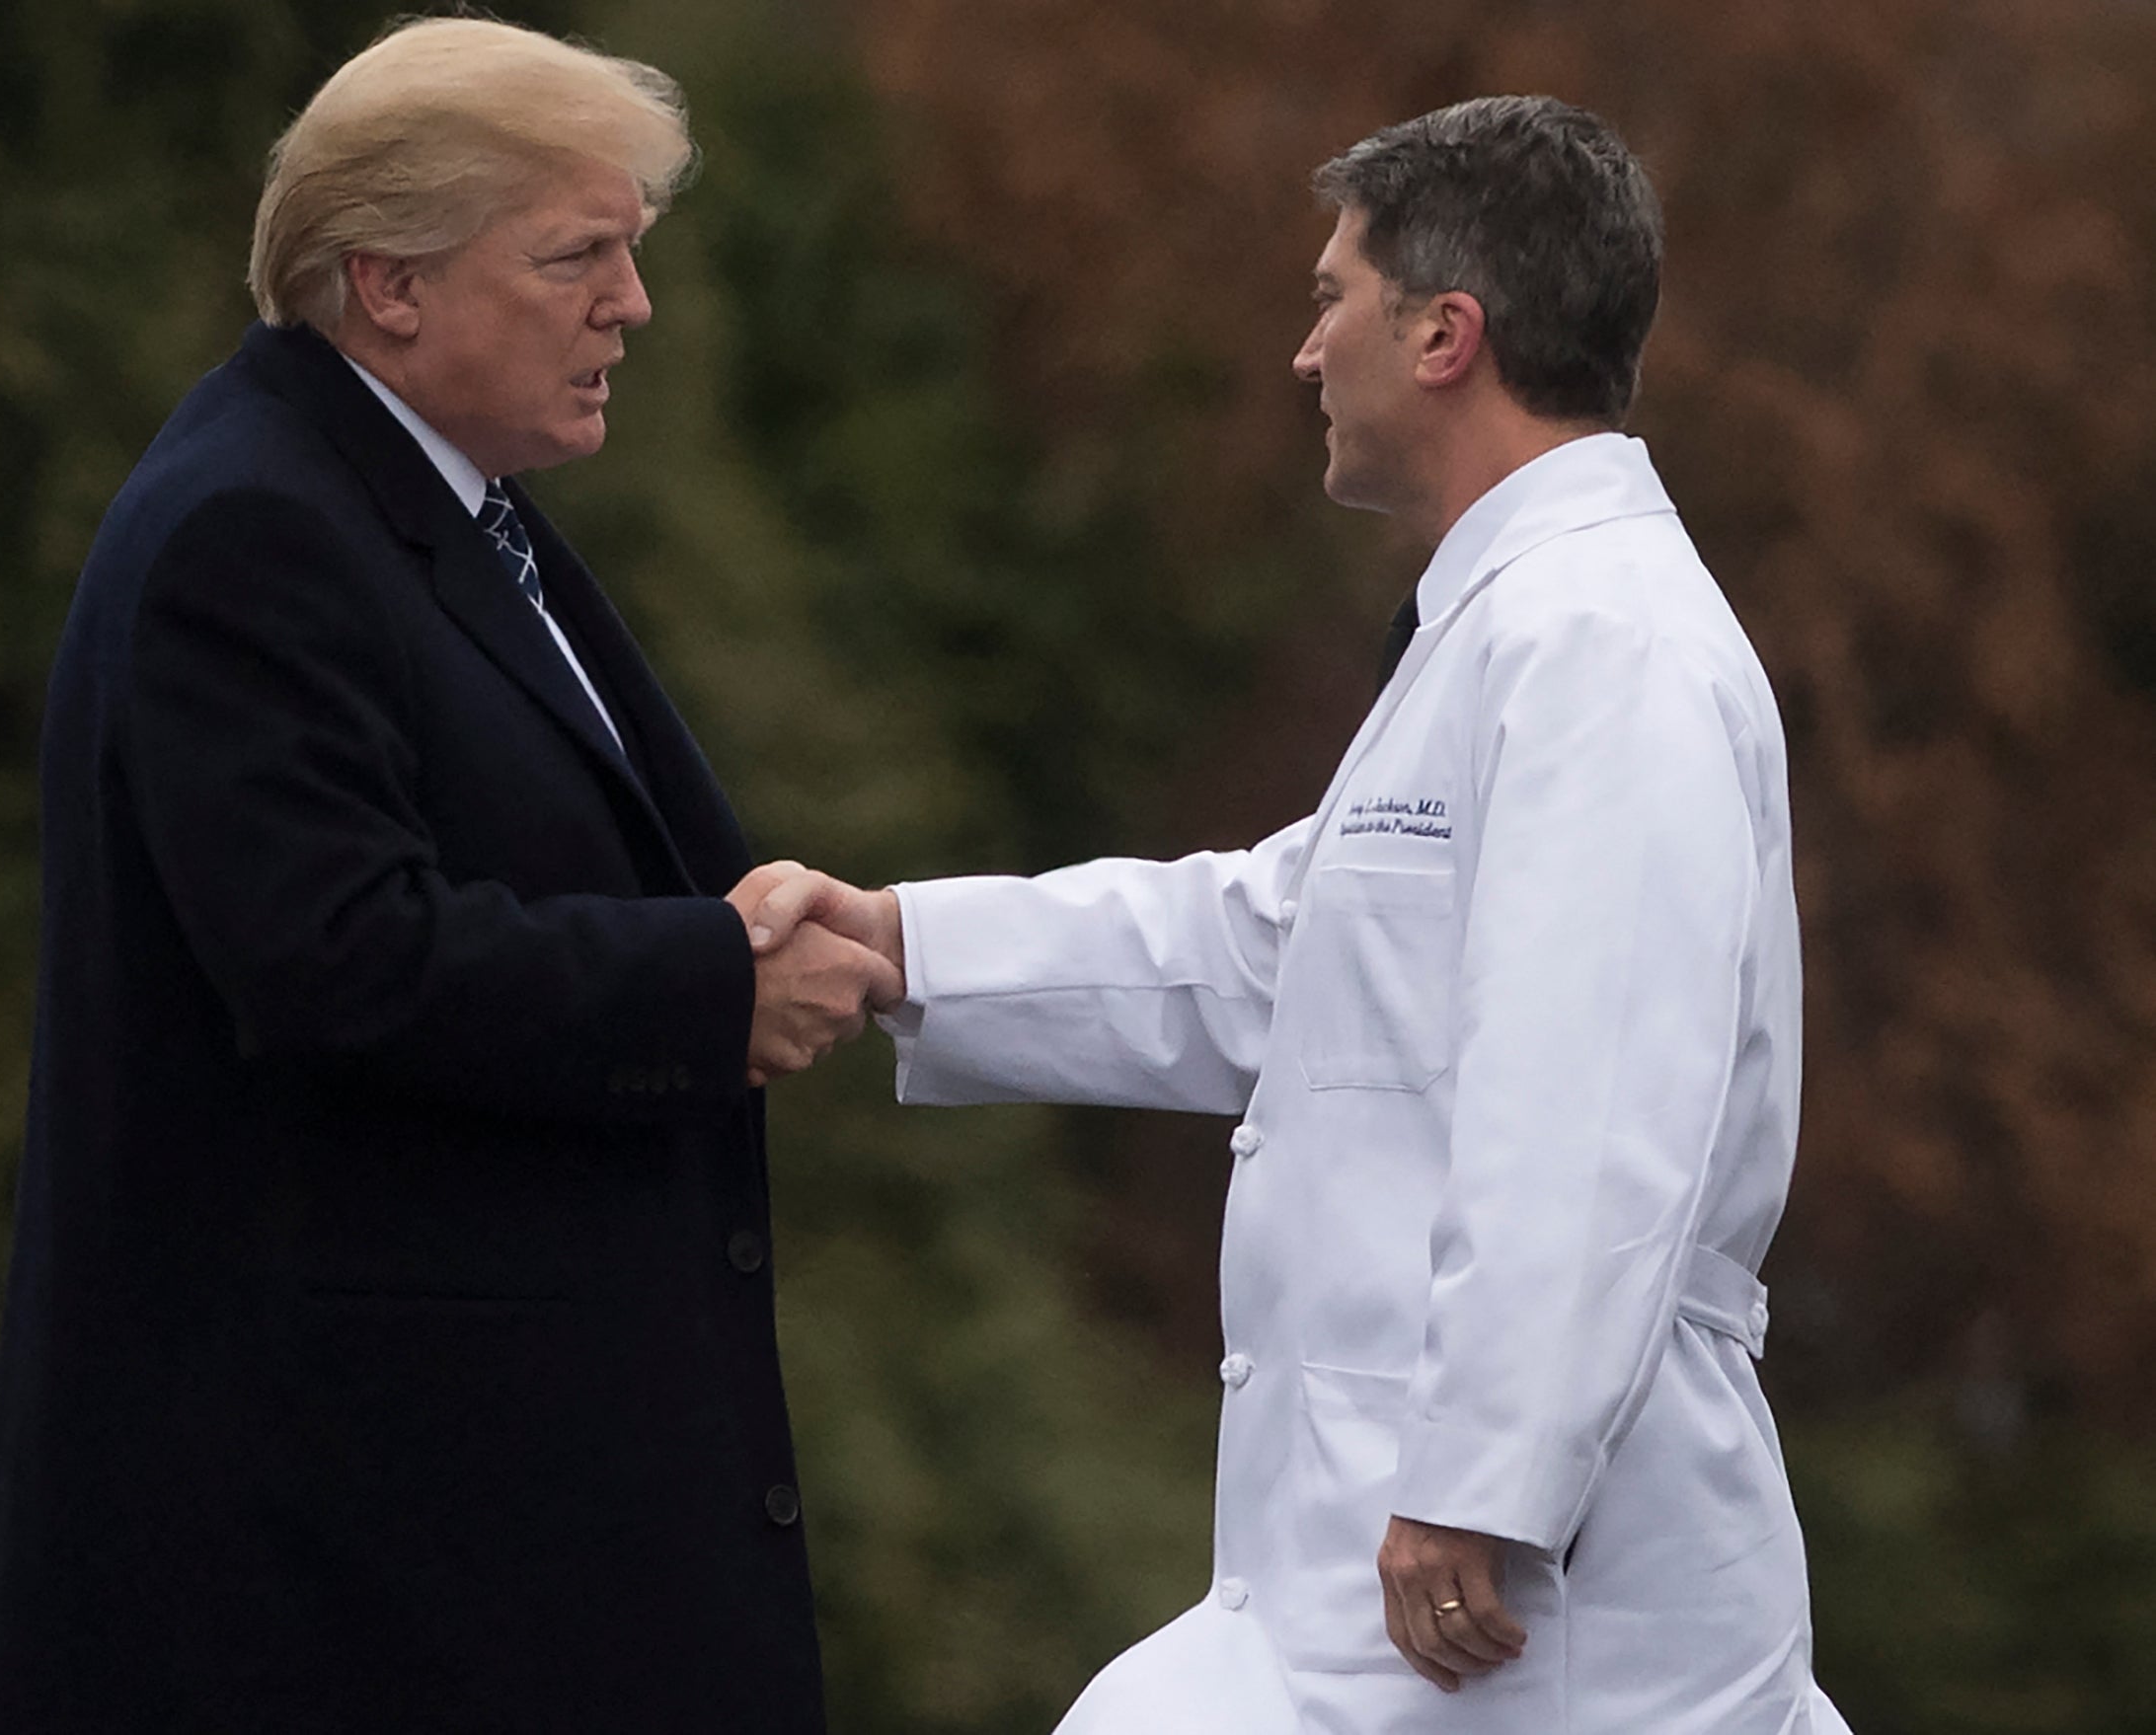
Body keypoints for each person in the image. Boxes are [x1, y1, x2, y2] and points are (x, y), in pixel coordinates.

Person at [751, 97, 1854, 1734]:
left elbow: (1594, 1092)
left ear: (1443, 334)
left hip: (1531, 1589)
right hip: (1386, 1575)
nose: (1301, 350)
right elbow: (1280, 951)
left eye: (1329, 296)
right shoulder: (1507, 633)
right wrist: (912, 946)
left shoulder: (1600, 645)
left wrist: (1492, 1470)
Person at [0, 18, 890, 1733]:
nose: (633, 303)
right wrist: (713, 983)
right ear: (387, 285)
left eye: (632, 249)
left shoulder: (437, 502)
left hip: (467, 1554)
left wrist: (736, 917)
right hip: (346, 1585)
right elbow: (334, 957)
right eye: (578, 257)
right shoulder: (254, 532)